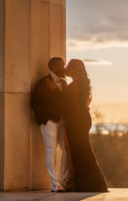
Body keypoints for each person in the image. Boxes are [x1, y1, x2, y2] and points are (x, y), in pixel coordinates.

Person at [63, 59, 108, 192]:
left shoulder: (75, 86)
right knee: (84, 151)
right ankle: (92, 184)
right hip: (82, 119)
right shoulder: (82, 84)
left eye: (68, 67)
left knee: (80, 152)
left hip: (76, 121)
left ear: (74, 69)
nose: (66, 69)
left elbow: (67, 104)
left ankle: (89, 185)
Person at [30, 57, 73, 192]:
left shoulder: (64, 84)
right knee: (51, 150)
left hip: (62, 121)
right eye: (62, 65)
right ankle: (54, 183)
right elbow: (34, 102)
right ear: (54, 67)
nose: (64, 68)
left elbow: (66, 102)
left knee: (66, 150)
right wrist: (44, 119)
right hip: (49, 122)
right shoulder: (42, 83)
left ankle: (62, 181)